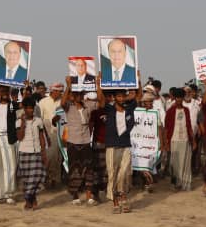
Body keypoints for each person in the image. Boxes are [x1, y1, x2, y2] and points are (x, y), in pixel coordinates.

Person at [96, 72, 142, 213]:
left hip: (125, 145)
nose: (121, 98)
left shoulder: (129, 108)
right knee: (112, 173)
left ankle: (123, 197)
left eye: (123, 96)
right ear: (115, 98)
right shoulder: (109, 109)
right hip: (112, 146)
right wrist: (98, 83)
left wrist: (138, 80)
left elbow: (139, 96)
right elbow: (100, 99)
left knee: (124, 173)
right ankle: (116, 202)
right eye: (119, 96)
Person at [57, 76, 97, 205]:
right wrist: (68, 85)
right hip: (73, 142)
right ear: (73, 96)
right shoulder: (69, 107)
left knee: (89, 169)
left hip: (85, 141)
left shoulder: (88, 106)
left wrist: (98, 84)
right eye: (76, 94)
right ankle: (75, 195)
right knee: (74, 169)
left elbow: (101, 103)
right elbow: (62, 103)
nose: (79, 96)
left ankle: (89, 195)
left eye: (81, 94)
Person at [17, 96, 47, 210]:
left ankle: (28, 197)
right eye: (28, 108)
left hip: (36, 152)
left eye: (32, 108)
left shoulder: (38, 121)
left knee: (37, 175)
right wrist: (23, 124)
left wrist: (44, 152)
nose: (30, 110)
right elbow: (20, 137)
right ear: (24, 109)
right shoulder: (18, 121)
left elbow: (41, 137)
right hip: (24, 151)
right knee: (27, 179)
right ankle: (30, 199)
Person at [164, 87, 196, 191]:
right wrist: (166, 143)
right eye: (177, 98)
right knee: (174, 163)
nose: (179, 100)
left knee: (185, 162)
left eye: (181, 98)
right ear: (174, 98)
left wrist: (193, 140)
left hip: (185, 140)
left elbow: (189, 126)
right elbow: (166, 128)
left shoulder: (186, 110)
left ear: (183, 98)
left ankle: (184, 183)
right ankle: (174, 183)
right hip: (174, 140)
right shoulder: (170, 111)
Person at [38, 82, 64, 188]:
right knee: (49, 156)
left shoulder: (62, 102)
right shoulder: (43, 102)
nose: (60, 93)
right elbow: (39, 119)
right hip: (47, 132)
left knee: (58, 157)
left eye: (61, 91)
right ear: (53, 91)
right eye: (58, 91)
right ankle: (46, 178)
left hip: (60, 132)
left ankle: (55, 179)